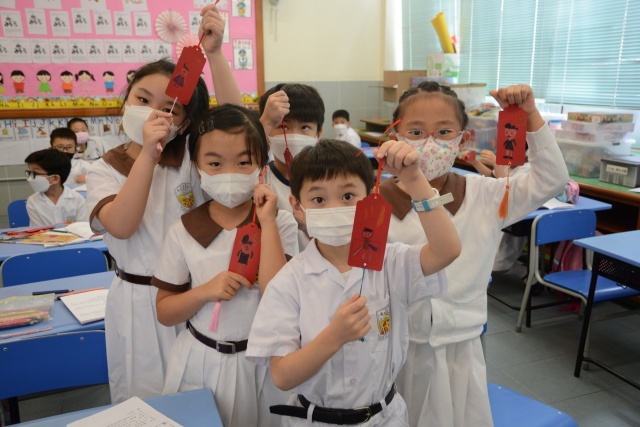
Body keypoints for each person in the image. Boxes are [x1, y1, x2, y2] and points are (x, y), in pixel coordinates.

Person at [379, 82, 569, 427]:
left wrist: (530, 115)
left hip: (461, 345)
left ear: (462, 140)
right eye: (416, 132)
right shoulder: (375, 202)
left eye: (443, 132)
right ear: (395, 137)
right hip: (395, 346)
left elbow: (552, 179)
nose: (430, 143)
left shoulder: (487, 194)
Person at [85, 4, 243, 403]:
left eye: (171, 108)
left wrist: (215, 55)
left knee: (201, 398)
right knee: (146, 402)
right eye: (143, 98)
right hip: (137, 306)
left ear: (184, 123)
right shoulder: (105, 168)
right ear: (127, 99)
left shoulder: (190, 157)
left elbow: (236, 125)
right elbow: (122, 226)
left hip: (194, 298)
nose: (155, 113)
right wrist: (147, 154)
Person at [246, 139, 461, 426]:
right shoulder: (288, 281)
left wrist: (414, 179)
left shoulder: (390, 261)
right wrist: (334, 336)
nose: (334, 207)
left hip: (384, 417)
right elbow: (282, 376)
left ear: (370, 198)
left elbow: (447, 250)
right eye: (319, 199)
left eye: (348, 196)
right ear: (297, 206)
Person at [152, 105, 298, 427]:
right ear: (197, 167)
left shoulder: (280, 223)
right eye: (215, 163)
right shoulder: (183, 229)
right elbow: (165, 312)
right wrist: (204, 292)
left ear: (262, 166)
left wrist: (267, 223)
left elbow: (278, 295)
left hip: (264, 363)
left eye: (243, 162)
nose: (229, 173)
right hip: (202, 360)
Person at [258, 83, 325, 249]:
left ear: (318, 134)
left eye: (305, 127)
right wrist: (263, 124)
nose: (293, 136)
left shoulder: (329, 180)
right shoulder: (260, 179)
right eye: (283, 127)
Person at [24, 148, 88, 226]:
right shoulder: (32, 201)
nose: (30, 178)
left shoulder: (78, 199)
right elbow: (37, 230)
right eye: (29, 173)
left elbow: (83, 227)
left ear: (55, 178)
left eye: (35, 173)